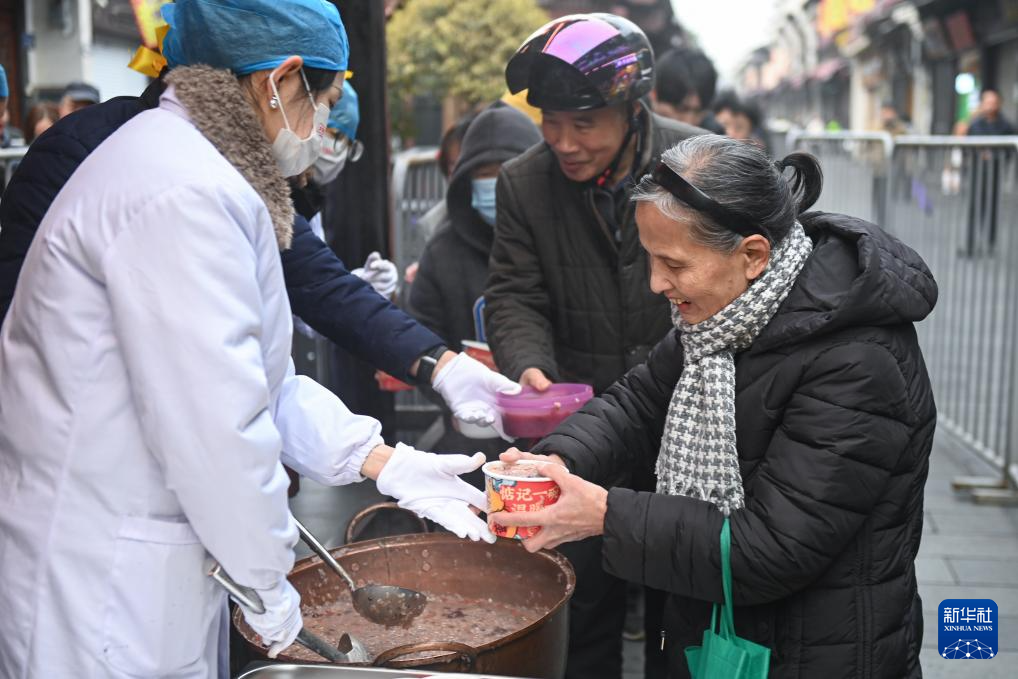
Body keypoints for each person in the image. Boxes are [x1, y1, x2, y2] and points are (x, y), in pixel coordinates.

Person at [0, 2, 503, 676]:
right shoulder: (183, 189)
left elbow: (259, 384)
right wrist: (268, 581)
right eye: (321, 104)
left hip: (138, 554)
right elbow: (216, 425)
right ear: (280, 79)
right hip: (102, 576)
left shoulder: (200, 170)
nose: (319, 128)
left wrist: (384, 460)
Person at [492, 136, 938, 679]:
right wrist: (560, 460)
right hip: (709, 629)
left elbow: (773, 548)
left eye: (673, 263)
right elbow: (637, 402)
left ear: (753, 255)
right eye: (649, 259)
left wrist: (606, 515)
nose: (657, 284)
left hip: (815, 650)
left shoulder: (859, 361)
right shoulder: (719, 318)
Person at [487, 13, 703, 679]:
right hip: (582, 432)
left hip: (690, 428)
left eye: (583, 123)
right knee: (580, 614)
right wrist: (531, 370)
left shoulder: (703, 169)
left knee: (686, 620)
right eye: (550, 120)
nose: (562, 140)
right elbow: (513, 293)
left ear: (630, 108)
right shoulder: (524, 182)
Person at [410, 103, 542, 468]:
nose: (495, 184)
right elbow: (422, 338)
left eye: (506, 172)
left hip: (559, 431)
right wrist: (452, 395)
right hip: (472, 444)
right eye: (482, 175)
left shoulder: (562, 240)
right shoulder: (442, 251)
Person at [652, 48, 722, 133]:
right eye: (681, 109)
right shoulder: (635, 136)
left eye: (698, 112)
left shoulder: (715, 139)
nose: (689, 122)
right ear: (654, 94)